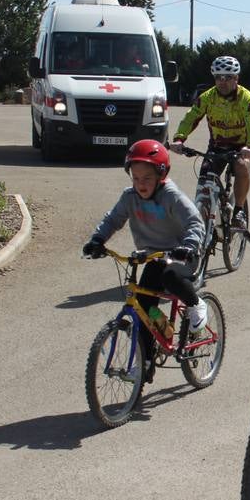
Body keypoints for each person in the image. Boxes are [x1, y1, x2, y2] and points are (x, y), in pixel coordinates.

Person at [83, 140, 209, 352]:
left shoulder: (171, 196)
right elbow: (112, 219)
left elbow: (194, 221)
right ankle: (145, 361)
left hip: (182, 254)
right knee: (143, 307)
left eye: (147, 178)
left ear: (161, 176)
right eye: (136, 178)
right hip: (153, 257)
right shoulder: (129, 197)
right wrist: (97, 240)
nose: (141, 183)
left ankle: (196, 304)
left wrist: (189, 245)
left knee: (170, 277)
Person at [170, 55, 250, 228]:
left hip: (240, 146)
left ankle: (239, 211)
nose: (222, 81)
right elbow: (191, 117)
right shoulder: (207, 97)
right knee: (203, 183)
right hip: (217, 146)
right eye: (218, 77)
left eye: (228, 77)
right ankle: (201, 220)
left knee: (242, 167)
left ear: (236, 78)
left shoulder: (246, 98)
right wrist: (179, 139)